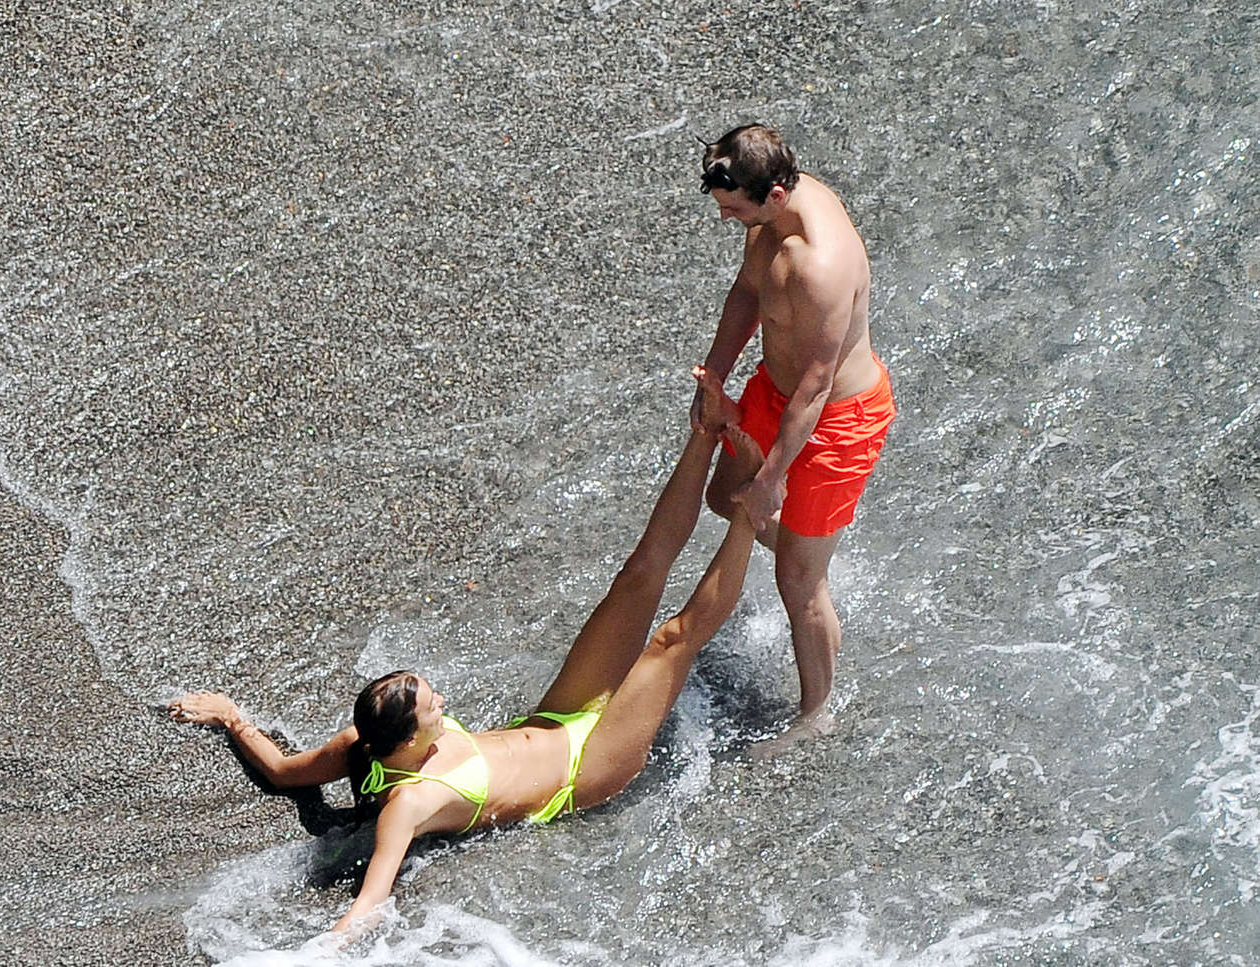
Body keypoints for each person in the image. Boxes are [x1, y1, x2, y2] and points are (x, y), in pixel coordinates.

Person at [170, 370, 762, 937]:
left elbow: (282, 769)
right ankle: (752, 509)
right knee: (672, 639)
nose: (444, 702)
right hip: (584, 770)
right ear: (408, 741)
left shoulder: (364, 741)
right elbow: (369, 905)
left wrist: (231, 716)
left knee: (636, 577)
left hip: (553, 718)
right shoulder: (408, 803)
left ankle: (704, 436)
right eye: (434, 706)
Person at [690, 123, 896, 758]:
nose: (727, 219)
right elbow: (748, 292)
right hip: (776, 392)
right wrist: (716, 375)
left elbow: (815, 386)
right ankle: (811, 555)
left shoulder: (821, 264)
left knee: (795, 584)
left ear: (776, 195)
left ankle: (815, 716)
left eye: (734, 209)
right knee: (726, 497)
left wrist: (775, 475)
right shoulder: (767, 215)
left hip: (836, 417)